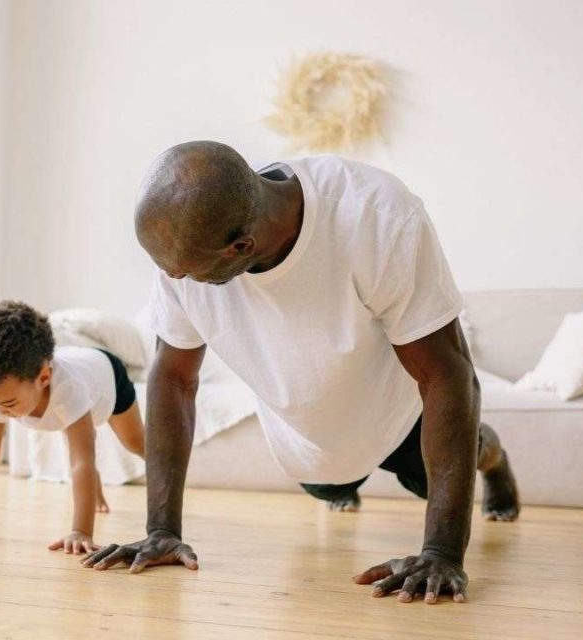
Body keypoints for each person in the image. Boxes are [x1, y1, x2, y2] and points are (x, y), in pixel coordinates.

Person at [82, 141, 520, 605]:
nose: (173, 278)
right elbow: (173, 380)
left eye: (186, 272)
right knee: (329, 485)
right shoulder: (182, 250)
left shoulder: (375, 216)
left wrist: (442, 552)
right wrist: (161, 530)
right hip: (311, 437)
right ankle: (342, 479)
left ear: (241, 247)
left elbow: (449, 375)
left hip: (399, 412)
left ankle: (496, 462)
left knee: (457, 459)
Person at [0, 301, 145, 554]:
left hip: (107, 376)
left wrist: (81, 531)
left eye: (8, 403)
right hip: (75, 381)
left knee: (133, 442)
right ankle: (92, 482)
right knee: (75, 442)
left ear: (44, 378)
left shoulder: (68, 389)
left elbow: (81, 461)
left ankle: (165, 469)